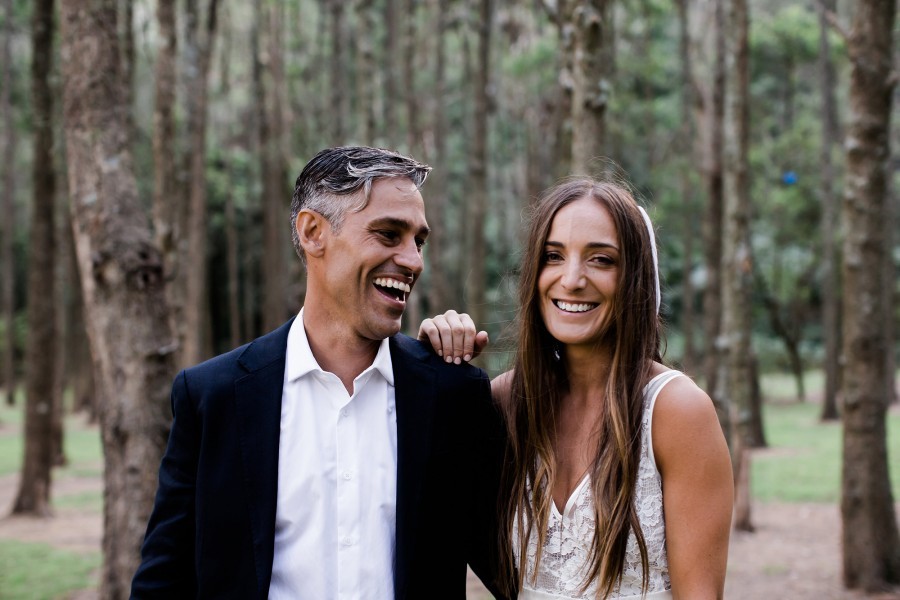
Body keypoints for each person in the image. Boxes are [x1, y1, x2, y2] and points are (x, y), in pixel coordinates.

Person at [131, 146, 509, 599]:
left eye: (418, 241)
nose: (413, 261)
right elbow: (162, 581)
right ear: (313, 233)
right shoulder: (211, 395)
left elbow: (514, 569)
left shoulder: (454, 394)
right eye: (389, 234)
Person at [419, 179, 734, 599]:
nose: (571, 279)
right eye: (553, 256)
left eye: (601, 260)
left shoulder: (675, 411)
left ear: (635, 278)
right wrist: (431, 365)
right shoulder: (507, 402)